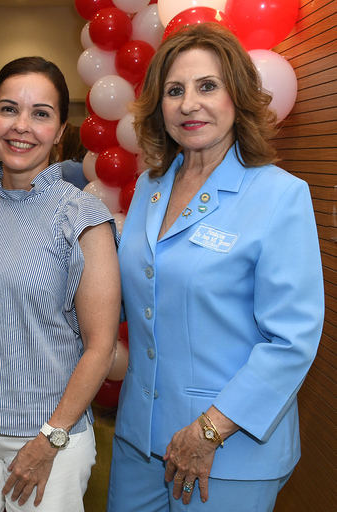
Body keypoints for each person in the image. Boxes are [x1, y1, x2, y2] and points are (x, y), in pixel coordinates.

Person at [108, 23, 324, 512]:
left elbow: (291, 340)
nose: (189, 104)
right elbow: (133, 291)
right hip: (138, 443)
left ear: (238, 97)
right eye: (174, 90)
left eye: (208, 86)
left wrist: (210, 429)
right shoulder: (150, 186)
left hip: (228, 453)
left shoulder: (278, 195)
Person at [0, 56, 121, 512]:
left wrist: (49, 440)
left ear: (60, 128)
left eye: (40, 113)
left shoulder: (83, 218)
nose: (21, 126)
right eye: (9, 109)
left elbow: (101, 347)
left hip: (51, 435)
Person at [51, 123, 90, 189]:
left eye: (59, 144)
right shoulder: (88, 165)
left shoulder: (64, 168)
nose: (57, 148)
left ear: (68, 145)